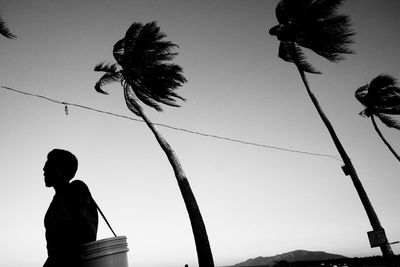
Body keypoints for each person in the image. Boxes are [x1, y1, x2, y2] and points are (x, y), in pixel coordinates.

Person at [43, 149, 98, 267]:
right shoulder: (56, 201)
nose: (44, 169)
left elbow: (85, 236)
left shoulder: (76, 189)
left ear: (60, 169)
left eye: (49, 164)